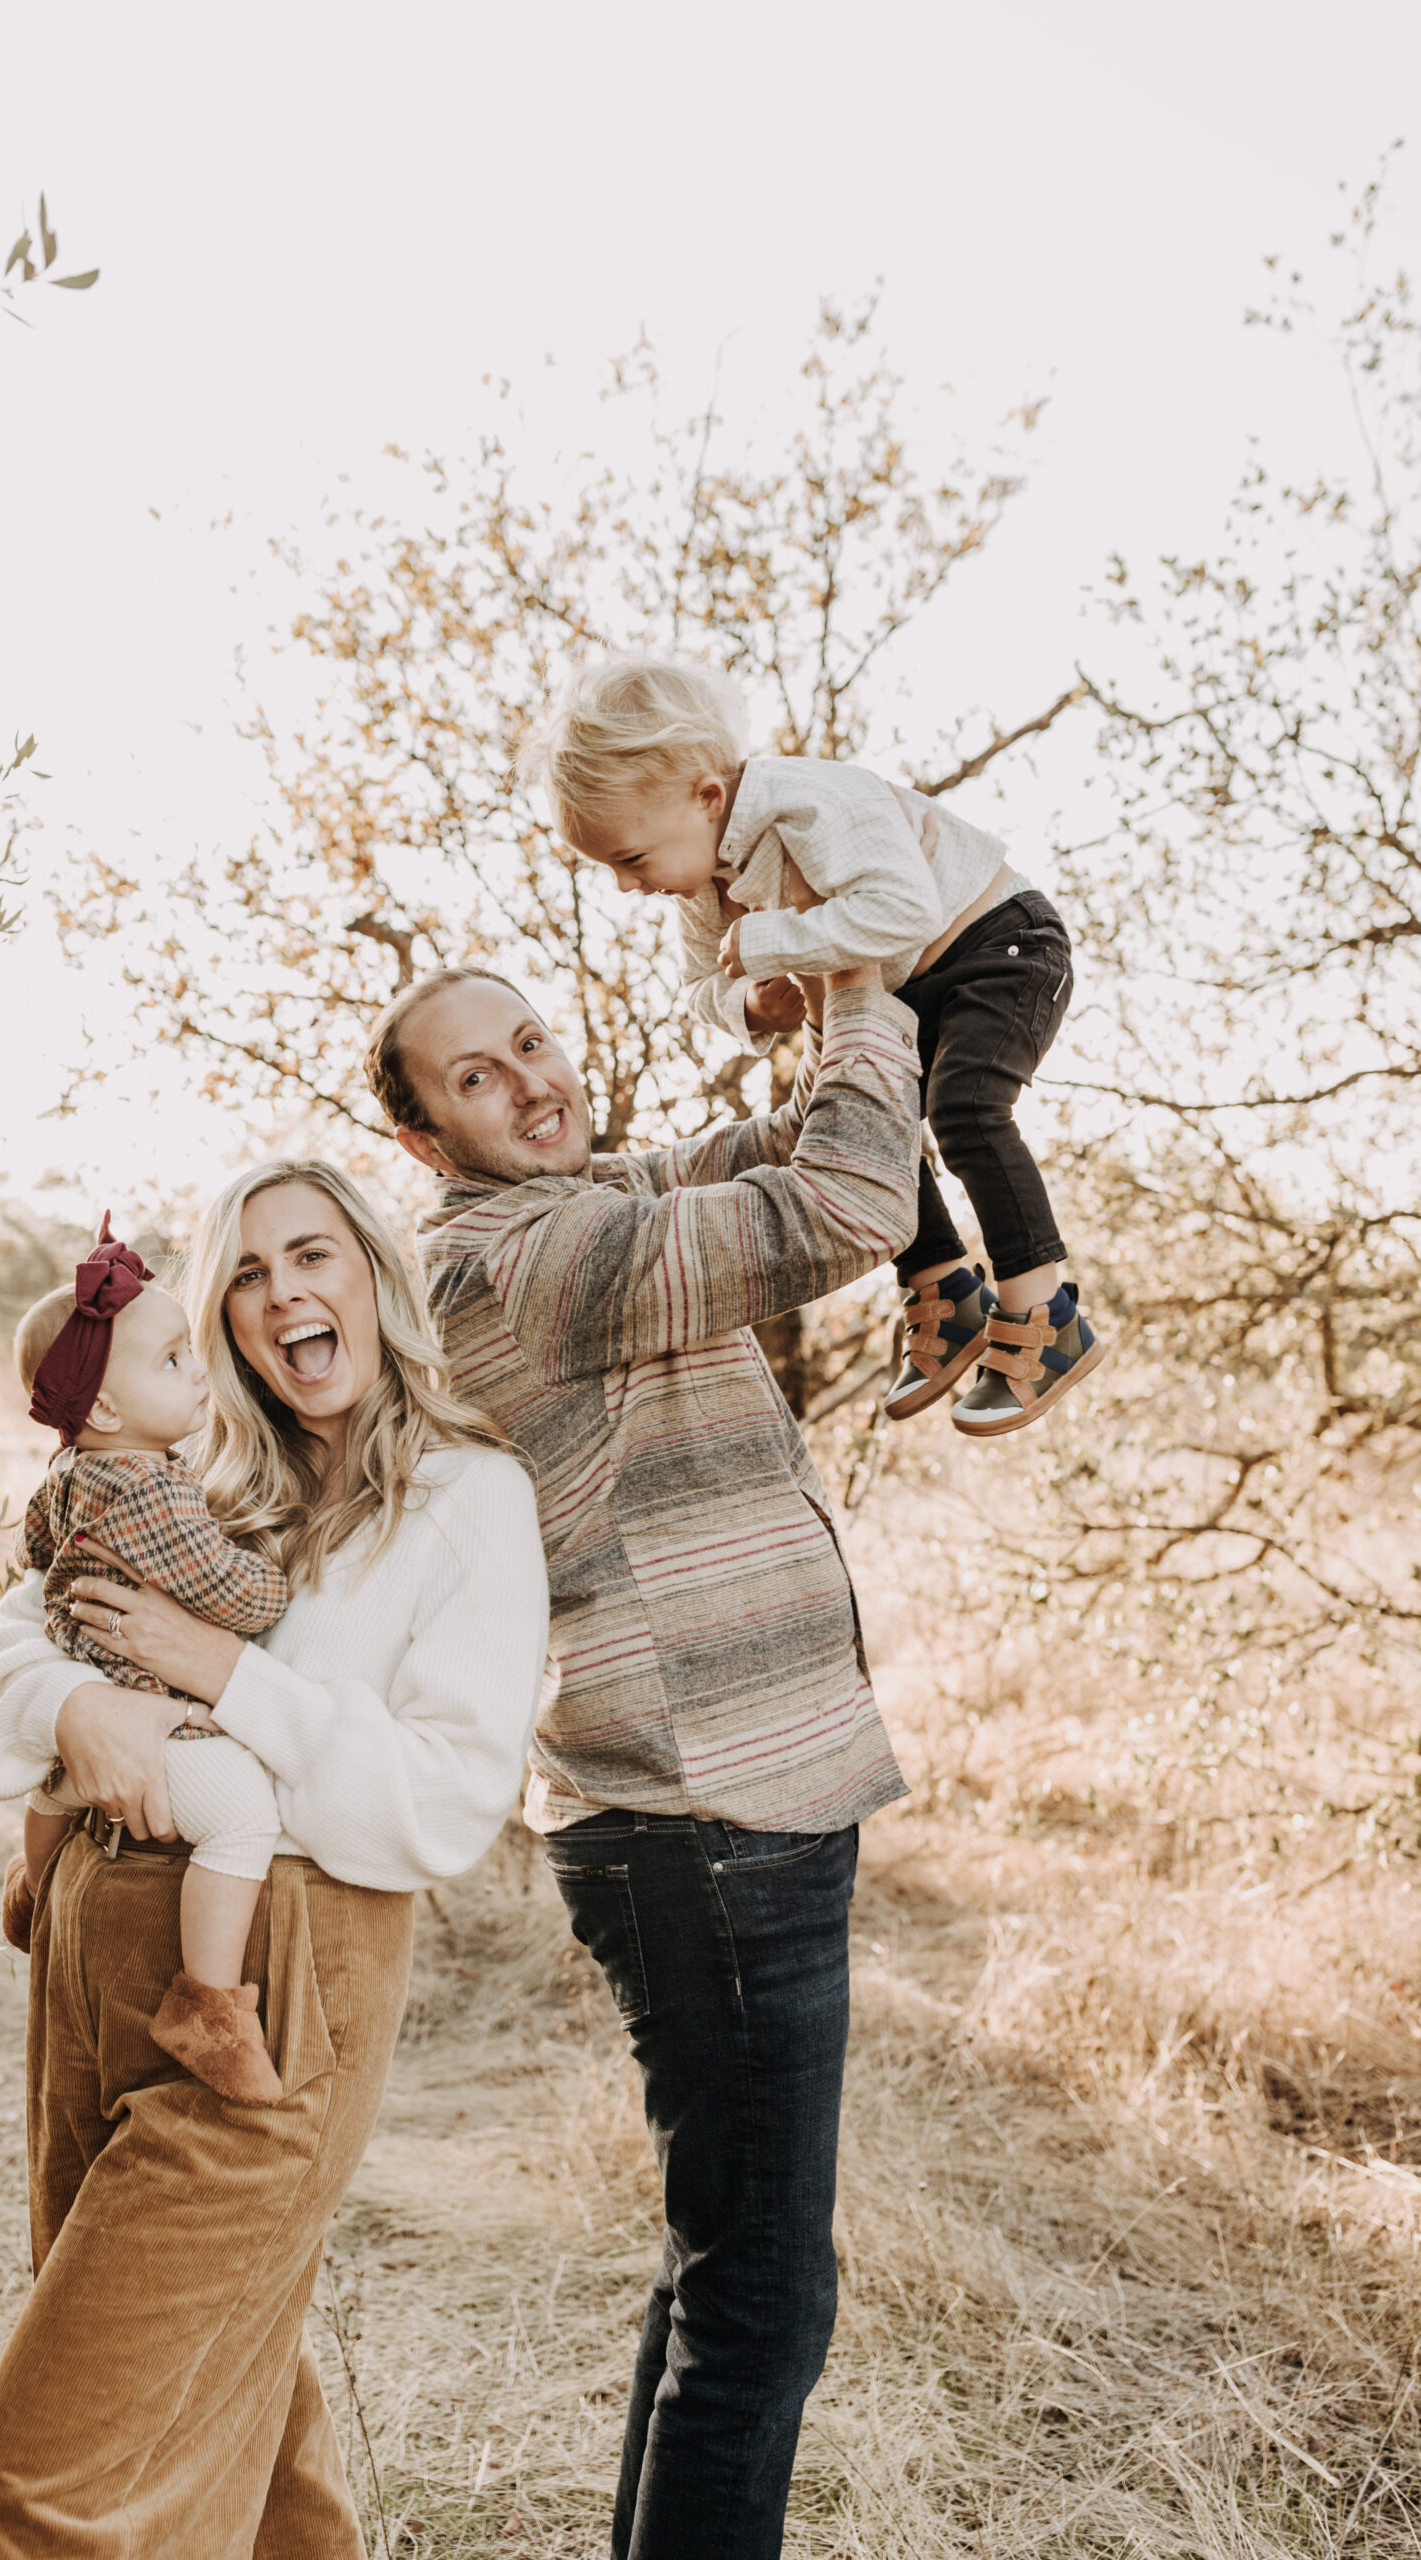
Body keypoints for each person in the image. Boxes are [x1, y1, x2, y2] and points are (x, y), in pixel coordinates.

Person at [364, 957, 918, 2560]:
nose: (528, 1078)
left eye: (528, 1040)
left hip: (738, 1796)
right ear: (423, 1138)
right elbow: (842, 1205)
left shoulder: (587, 1201)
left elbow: (743, 1160)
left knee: (715, 2273)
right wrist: (875, 996)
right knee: (759, 2303)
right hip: (704, 1819)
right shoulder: (527, 1254)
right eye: (474, 1076)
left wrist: (811, 1024)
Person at [0, 1159, 550, 2560]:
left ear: (375, 1283)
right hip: (87, 1961)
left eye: (313, 1255)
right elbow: (13, 1641)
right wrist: (78, 1705)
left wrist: (225, 1671)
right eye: (248, 1273)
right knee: (235, 2427)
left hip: (268, 1991)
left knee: (43, 2498)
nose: (284, 1294)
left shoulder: (467, 1502)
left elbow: (444, 1805)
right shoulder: (183, 1468)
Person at [523, 654, 1105, 1437]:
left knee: (963, 1109)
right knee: (865, 1117)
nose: (627, 885)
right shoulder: (702, 876)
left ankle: (1045, 1316)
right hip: (903, 987)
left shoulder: (813, 801)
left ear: (706, 797)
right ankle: (944, 1290)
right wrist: (750, 1004)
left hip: (994, 947)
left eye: (630, 858)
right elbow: (702, 986)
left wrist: (772, 937)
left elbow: (902, 911)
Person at [0, 1210, 296, 2106]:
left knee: (55, 1781)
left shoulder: (70, 1472)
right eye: (170, 1363)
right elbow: (236, 1598)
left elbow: (36, 1552)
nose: (197, 1372)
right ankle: (210, 2009)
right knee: (240, 1816)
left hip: (86, 1691)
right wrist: (274, 1576)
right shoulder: (153, 1488)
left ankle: (32, 1889)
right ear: (108, 1407)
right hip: (147, 1708)